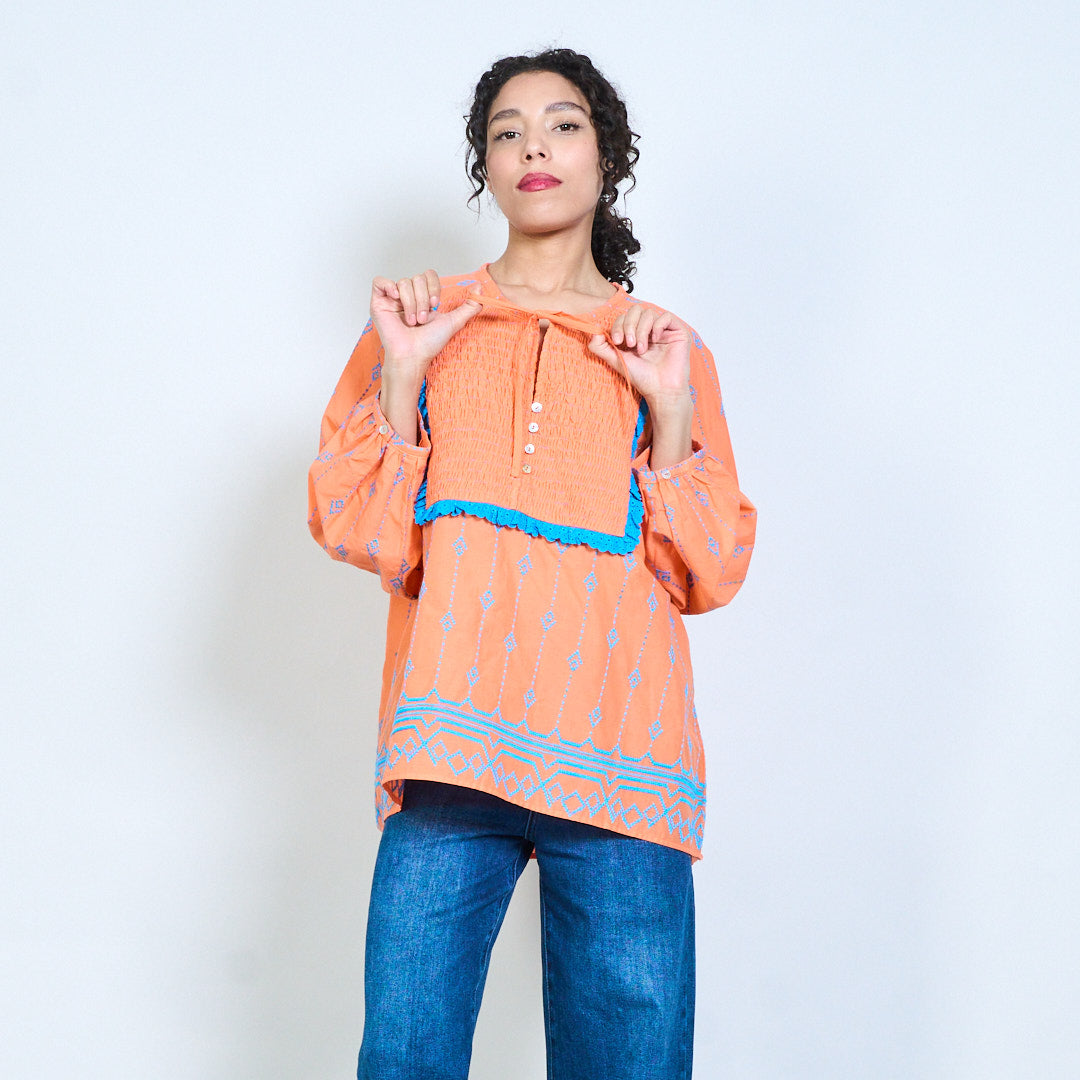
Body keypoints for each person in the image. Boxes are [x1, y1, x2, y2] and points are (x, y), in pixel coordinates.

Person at [308, 47, 756, 1080]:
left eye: (562, 125)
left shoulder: (668, 346)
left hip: (623, 765)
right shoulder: (423, 324)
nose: (533, 148)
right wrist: (404, 377)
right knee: (404, 1060)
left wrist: (669, 409)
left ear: (608, 157)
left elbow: (709, 570)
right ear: (486, 167)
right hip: (450, 754)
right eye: (506, 132)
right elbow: (366, 531)